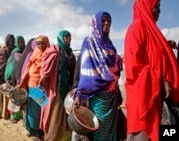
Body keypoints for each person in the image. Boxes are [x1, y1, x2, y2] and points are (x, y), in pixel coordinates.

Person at [124, 0, 179, 140]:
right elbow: (134, 68)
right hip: (144, 100)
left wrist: (166, 45)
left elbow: (153, 52)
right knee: (143, 135)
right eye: (156, 7)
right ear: (146, 7)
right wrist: (160, 78)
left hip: (158, 97)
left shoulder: (152, 30)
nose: (159, 10)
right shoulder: (136, 29)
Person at [73, 11, 122, 141]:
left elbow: (115, 69)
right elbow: (85, 71)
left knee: (111, 131)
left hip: (111, 96)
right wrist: (79, 93)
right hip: (97, 96)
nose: (106, 23)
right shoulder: (89, 42)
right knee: (100, 129)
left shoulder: (110, 45)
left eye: (109, 21)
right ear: (96, 23)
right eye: (103, 20)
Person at [17, 35, 50, 140]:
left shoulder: (48, 55)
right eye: (38, 43)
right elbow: (28, 66)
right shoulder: (34, 53)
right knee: (32, 110)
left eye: (42, 43)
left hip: (41, 87)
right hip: (32, 85)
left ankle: (38, 130)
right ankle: (33, 131)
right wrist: (23, 79)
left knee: (40, 110)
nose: (40, 45)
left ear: (46, 43)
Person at [0, 34, 15, 120]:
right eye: (9, 41)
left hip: (11, 76)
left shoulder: (15, 50)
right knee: (0, 95)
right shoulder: (3, 50)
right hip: (0, 75)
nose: (11, 43)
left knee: (9, 95)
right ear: (6, 41)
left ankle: (7, 115)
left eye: (12, 41)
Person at [4, 35, 26, 123]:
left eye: (22, 41)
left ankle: (20, 116)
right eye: (19, 41)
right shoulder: (14, 52)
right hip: (14, 78)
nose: (21, 43)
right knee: (14, 97)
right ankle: (13, 116)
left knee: (21, 97)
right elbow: (10, 65)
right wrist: (8, 77)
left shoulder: (26, 51)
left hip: (23, 78)